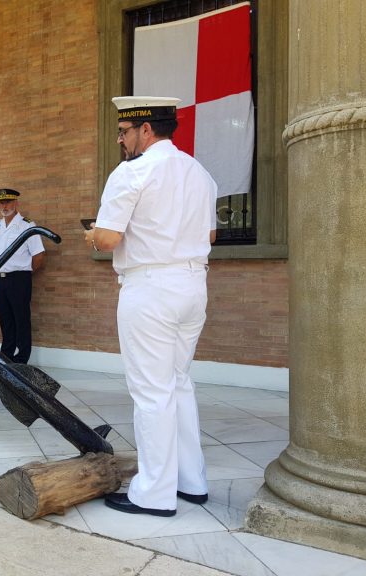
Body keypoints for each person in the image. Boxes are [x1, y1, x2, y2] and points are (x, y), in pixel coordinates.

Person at [84, 96, 217, 517]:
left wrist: (91, 236)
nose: (121, 141)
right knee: (178, 383)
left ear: (145, 130)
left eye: (124, 132)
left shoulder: (132, 173)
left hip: (150, 288)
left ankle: (154, 492)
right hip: (193, 285)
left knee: (151, 393)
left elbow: (107, 239)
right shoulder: (200, 173)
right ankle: (190, 480)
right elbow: (210, 235)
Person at [0, 188, 45, 364]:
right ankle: (6, 354)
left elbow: (38, 256)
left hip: (19, 279)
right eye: (1, 203)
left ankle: (22, 358)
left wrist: (24, 272)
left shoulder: (27, 226)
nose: (4, 206)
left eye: (8, 202)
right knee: (5, 318)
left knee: (21, 318)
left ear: (16, 203)